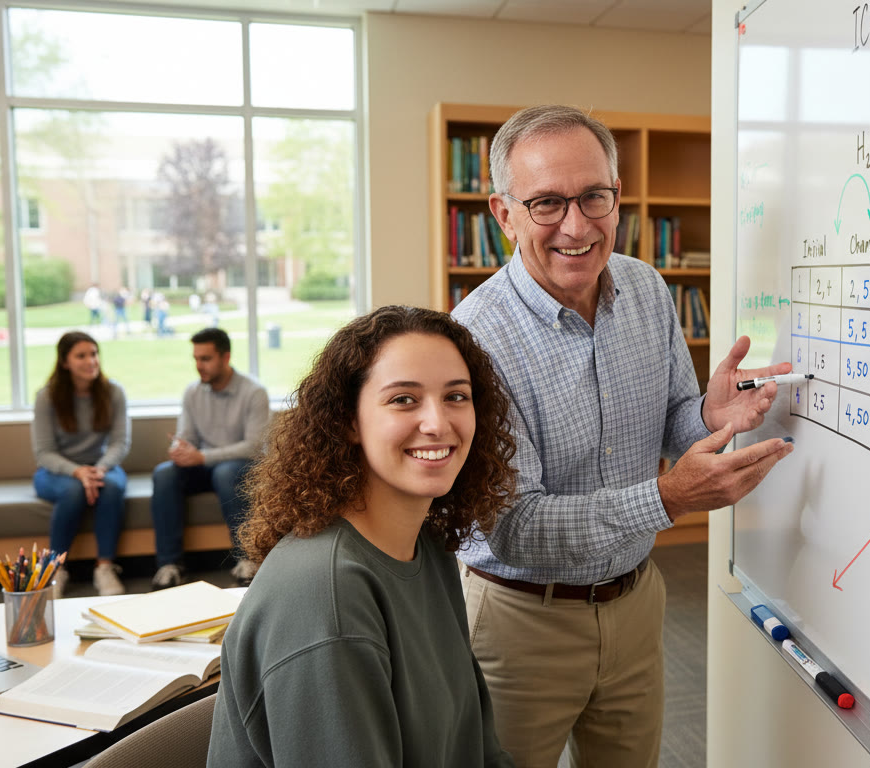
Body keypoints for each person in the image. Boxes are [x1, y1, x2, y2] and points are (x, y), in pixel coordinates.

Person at [452, 104, 795, 767]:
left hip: (636, 601)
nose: (576, 226)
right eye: (546, 203)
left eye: (594, 197)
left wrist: (710, 417)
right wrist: (668, 500)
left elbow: (671, 419)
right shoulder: (474, 337)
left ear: (617, 196)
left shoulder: (645, 286)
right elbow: (513, 526)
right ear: (504, 214)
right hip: (523, 623)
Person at [207, 306, 516, 767]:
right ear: (348, 421)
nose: (438, 422)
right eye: (403, 400)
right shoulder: (325, 594)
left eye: (456, 396)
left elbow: (479, 747)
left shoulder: (428, 547)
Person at [150, 327, 270, 589]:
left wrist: (201, 456)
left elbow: (253, 447)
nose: (198, 366)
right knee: (164, 473)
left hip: (239, 465)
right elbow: (188, 436)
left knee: (225, 472)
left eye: (205, 359)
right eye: (195, 359)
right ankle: (170, 565)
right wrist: (180, 448)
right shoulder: (192, 393)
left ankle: (246, 559)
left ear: (225, 358)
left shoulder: (254, 392)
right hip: (203, 465)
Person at [31, 331, 130, 596]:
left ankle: (105, 568)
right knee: (73, 490)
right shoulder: (47, 397)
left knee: (111, 486)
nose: (91, 361)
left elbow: (120, 443)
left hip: (101, 467)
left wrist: (99, 469)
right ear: (65, 362)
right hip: (57, 470)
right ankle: (55, 569)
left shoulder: (114, 392)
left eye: (94, 354)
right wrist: (78, 472)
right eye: (81, 356)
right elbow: (44, 453)